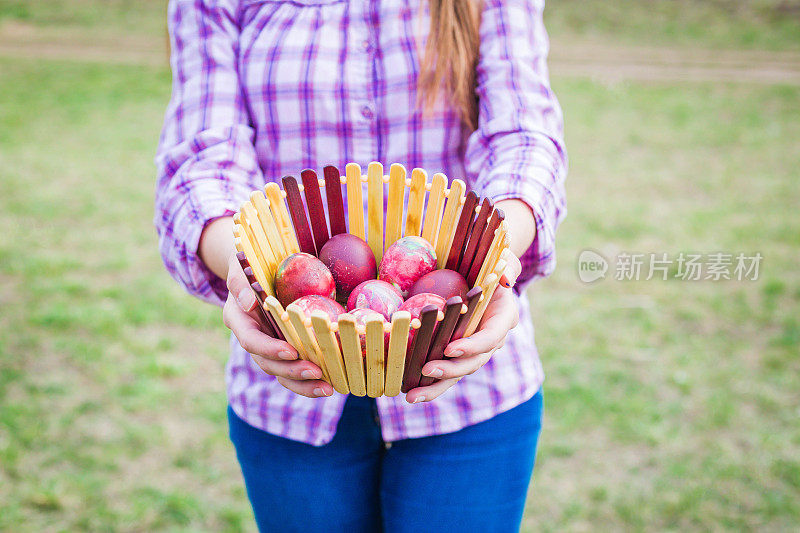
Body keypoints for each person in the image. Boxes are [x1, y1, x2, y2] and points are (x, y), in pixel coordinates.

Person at [155, 0, 566, 530]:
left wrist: (496, 259)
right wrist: (244, 270)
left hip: (469, 381)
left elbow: (524, 135)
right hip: (291, 377)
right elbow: (201, 158)